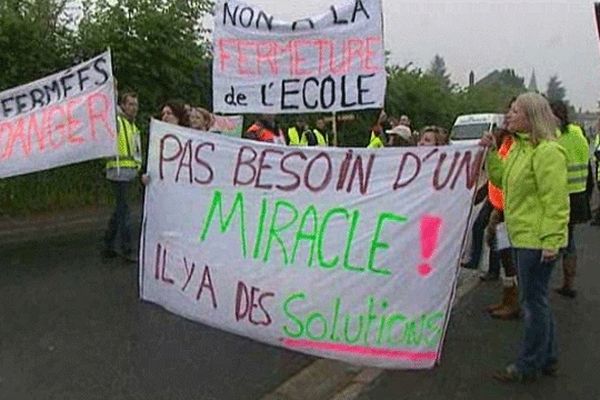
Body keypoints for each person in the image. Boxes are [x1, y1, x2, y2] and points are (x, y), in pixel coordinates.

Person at [481, 92, 569, 382]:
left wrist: (551, 241)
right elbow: (500, 180)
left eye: (515, 111)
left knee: (533, 303)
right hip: (523, 236)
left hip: (536, 241)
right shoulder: (519, 148)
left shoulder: (547, 152)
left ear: (531, 118)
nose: (509, 116)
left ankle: (528, 364)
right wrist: (492, 152)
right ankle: (549, 357)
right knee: (538, 300)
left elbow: (556, 201)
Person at [551, 100, 592, 298]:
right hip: (579, 194)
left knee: (557, 240)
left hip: (561, 195)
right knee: (570, 240)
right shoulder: (577, 133)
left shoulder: (554, 138)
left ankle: (544, 281)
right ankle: (569, 283)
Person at [102, 92, 143, 263]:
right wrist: (113, 90)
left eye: (136, 104)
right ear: (123, 105)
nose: (134, 108)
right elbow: (108, 111)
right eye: (131, 104)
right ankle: (127, 249)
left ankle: (108, 245)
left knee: (120, 210)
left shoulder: (133, 126)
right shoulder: (117, 122)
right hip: (117, 173)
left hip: (128, 174)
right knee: (124, 212)